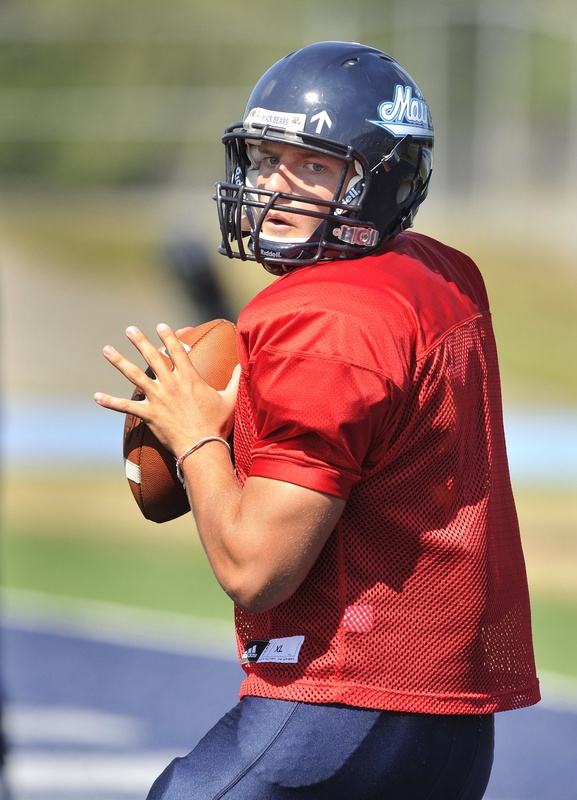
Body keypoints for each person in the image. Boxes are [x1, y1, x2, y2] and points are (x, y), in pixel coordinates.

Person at [95, 41, 540, 799]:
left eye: (309, 167)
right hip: (450, 726)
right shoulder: (441, 270)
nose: (271, 186)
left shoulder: (322, 316)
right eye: (264, 160)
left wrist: (194, 433)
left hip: (340, 704)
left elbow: (256, 571)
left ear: (380, 180)